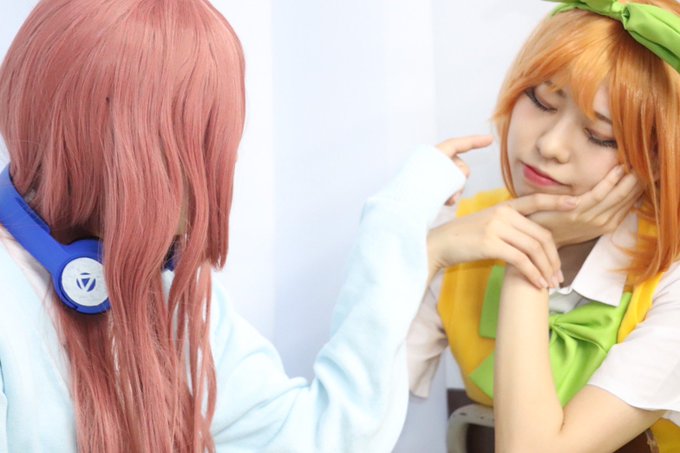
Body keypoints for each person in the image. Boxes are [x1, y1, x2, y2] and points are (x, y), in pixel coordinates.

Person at [0, 0, 585, 451]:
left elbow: (321, 439)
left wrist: (404, 232)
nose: (212, 169)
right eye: (196, 143)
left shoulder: (181, 298)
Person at [408, 0, 680, 451]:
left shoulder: (672, 277)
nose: (551, 145)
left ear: (655, 160)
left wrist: (532, 251)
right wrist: (426, 250)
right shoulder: (461, 231)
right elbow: (342, 420)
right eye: (541, 100)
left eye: (599, 135)